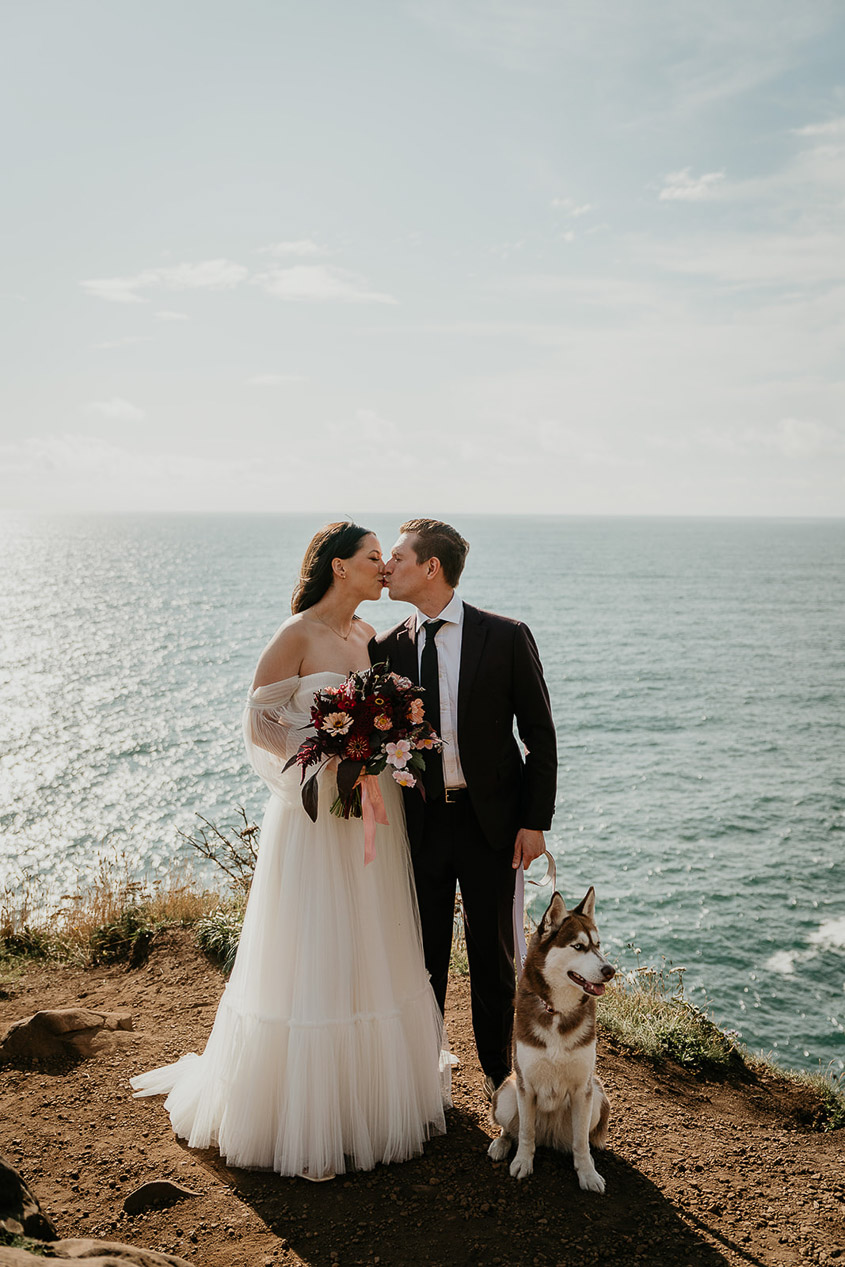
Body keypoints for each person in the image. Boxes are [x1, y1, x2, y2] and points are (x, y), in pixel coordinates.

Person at [131, 522, 447, 1180]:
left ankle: (366, 1099)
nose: (382, 568)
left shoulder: (365, 636)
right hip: (311, 818)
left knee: (368, 942)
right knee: (312, 945)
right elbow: (259, 720)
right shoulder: (295, 633)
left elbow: (383, 717)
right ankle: (305, 1119)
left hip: (367, 817)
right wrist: (323, 755)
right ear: (339, 567)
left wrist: (371, 747)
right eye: (371, 559)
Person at [373, 518, 557, 1099]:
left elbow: (540, 736)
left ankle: (499, 1075)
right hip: (420, 825)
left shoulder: (504, 636)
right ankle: (425, 1073)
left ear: (432, 567)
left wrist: (534, 822)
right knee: (421, 954)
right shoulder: (385, 647)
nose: (387, 567)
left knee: (493, 958)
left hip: (492, 826)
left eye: (398, 557)